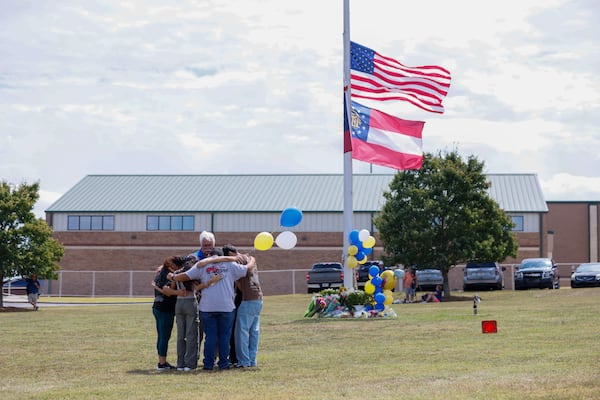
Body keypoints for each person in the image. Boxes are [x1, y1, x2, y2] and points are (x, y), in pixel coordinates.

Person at [169, 251, 254, 371]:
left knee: (210, 336)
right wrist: (252, 260)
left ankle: (208, 364)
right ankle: (223, 363)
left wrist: (172, 276)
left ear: (210, 256)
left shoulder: (202, 265)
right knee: (224, 336)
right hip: (227, 307)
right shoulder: (230, 265)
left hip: (207, 307)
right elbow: (247, 269)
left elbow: (185, 276)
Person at [151, 256, 188, 371]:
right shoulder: (168, 274)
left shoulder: (161, 271)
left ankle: (161, 361)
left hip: (157, 307)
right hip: (165, 308)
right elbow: (167, 291)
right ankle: (162, 363)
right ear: (174, 266)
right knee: (164, 336)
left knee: (161, 335)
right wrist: (180, 292)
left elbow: (160, 287)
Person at [231, 245, 263, 368]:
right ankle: (252, 361)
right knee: (254, 331)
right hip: (259, 298)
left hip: (248, 299)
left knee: (241, 332)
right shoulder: (250, 259)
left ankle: (244, 361)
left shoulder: (239, 262)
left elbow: (239, 286)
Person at [173, 259, 199, 372]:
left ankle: (180, 363)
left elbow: (172, 282)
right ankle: (190, 363)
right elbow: (198, 285)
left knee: (181, 335)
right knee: (191, 334)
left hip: (179, 302)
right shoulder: (192, 272)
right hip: (190, 301)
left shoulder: (177, 273)